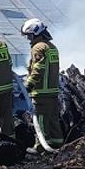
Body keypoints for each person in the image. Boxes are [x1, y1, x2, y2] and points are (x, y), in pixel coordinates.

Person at [21, 18, 63, 149]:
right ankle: (57, 144)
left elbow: (38, 69)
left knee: (41, 120)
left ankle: (40, 147)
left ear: (36, 33)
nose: (29, 39)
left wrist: (27, 85)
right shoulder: (52, 47)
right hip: (53, 91)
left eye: (29, 36)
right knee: (53, 120)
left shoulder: (38, 47)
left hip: (41, 93)